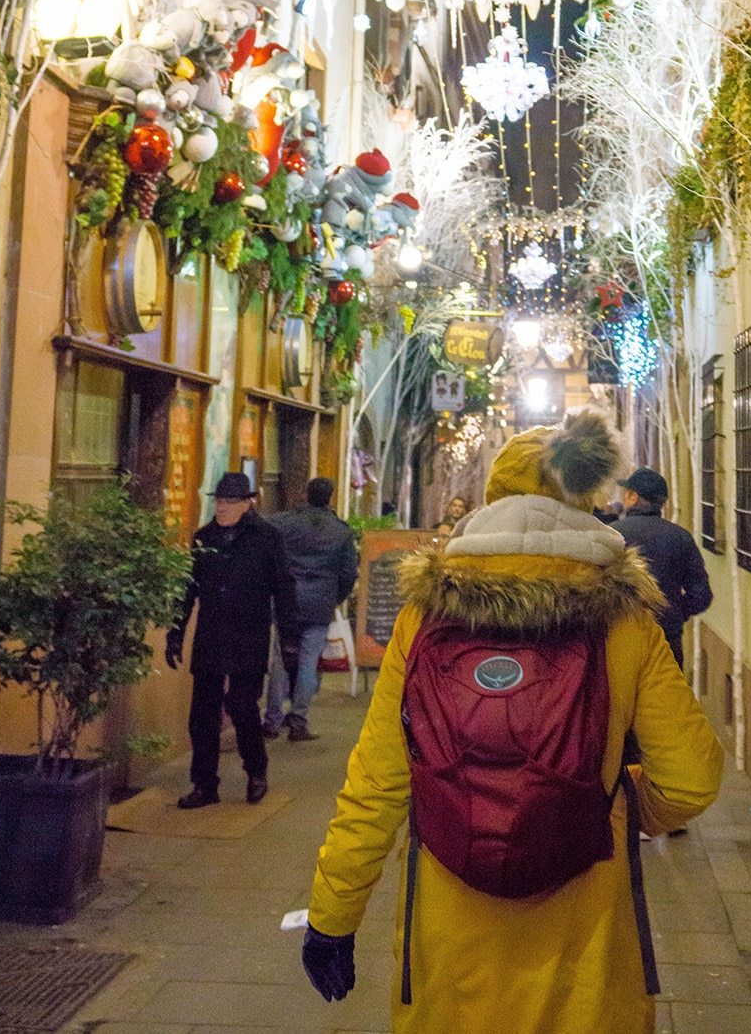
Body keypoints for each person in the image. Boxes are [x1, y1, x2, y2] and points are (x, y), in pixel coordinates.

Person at [300, 410, 723, 1033]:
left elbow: (378, 782)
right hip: (584, 943)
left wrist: (332, 917)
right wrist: (612, 804)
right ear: (581, 493)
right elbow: (692, 778)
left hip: (452, 948)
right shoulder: (625, 619)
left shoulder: (425, 617)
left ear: (493, 497)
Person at [165, 471, 298, 809]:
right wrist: (176, 632)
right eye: (218, 501)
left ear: (246, 504)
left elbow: (283, 590)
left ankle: (256, 771)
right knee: (203, 715)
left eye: (229, 502)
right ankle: (204, 784)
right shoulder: (203, 538)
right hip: (211, 635)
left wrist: (289, 640)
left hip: (249, 635)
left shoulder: (267, 539)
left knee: (242, 708)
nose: (221, 508)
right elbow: (187, 590)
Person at [266, 478, 358, 743]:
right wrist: (334, 597)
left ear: (307, 494)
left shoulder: (286, 523)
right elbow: (348, 572)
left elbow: (266, 529)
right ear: (331, 496)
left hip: (287, 600)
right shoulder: (340, 531)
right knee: (308, 661)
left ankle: (271, 720)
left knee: (281, 662)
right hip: (319, 604)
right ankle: (298, 720)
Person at [613, 467, 713, 670]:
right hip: (667, 638)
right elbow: (701, 594)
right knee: (667, 697)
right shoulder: (680, 537)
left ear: (633, 498)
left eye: (627, 493)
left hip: (619, 636)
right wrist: (675, 611)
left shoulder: (612, 535)